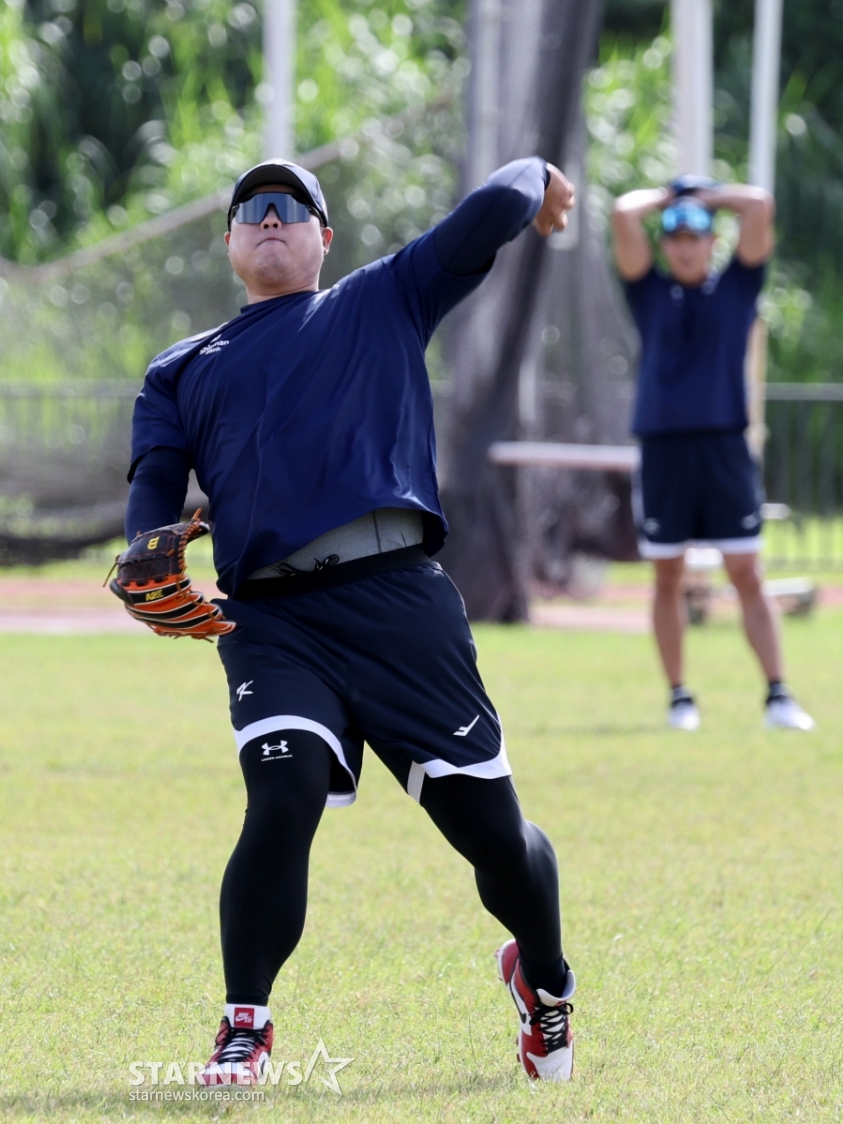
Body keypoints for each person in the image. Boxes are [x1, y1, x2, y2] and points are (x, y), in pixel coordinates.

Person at [119, 156, 579, 1082]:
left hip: (400, 604)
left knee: (495, 837)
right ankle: (245, 1025)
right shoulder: (181, 370)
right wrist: (145, 548)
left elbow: (496, 202)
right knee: (281, 797)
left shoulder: (382, 298)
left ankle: (546, 980)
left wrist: (541, 178)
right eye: (254, 207)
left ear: (324, 238)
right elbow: (156, 481)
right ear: (230, 240)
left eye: (292, 207)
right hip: (271, 621)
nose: (271, 216)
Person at [611, 179, 814, 732]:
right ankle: (680, 699)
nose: (684, 247)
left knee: (747, 571)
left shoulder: (737, 287)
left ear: (711, 242)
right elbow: (623, 213)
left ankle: (778, 696)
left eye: (695, 236)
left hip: (724, 446)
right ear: (664, 245)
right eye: (674, 237)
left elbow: (759, 205)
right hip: (663, 450)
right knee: (668, 576)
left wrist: (706, 195)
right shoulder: (648, 291)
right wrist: (671, 194)